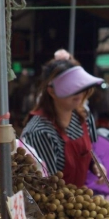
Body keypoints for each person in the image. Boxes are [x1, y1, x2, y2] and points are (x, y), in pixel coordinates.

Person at [21, 51, 104, 186]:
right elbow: (48, 186)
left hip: (78, 200)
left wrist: (96, 164)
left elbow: (91, 151)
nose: (78, 92)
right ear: (51, 91)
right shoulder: (40, 131)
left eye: (80, 86)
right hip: (53, 203)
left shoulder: (84, 117)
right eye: (71, 87)